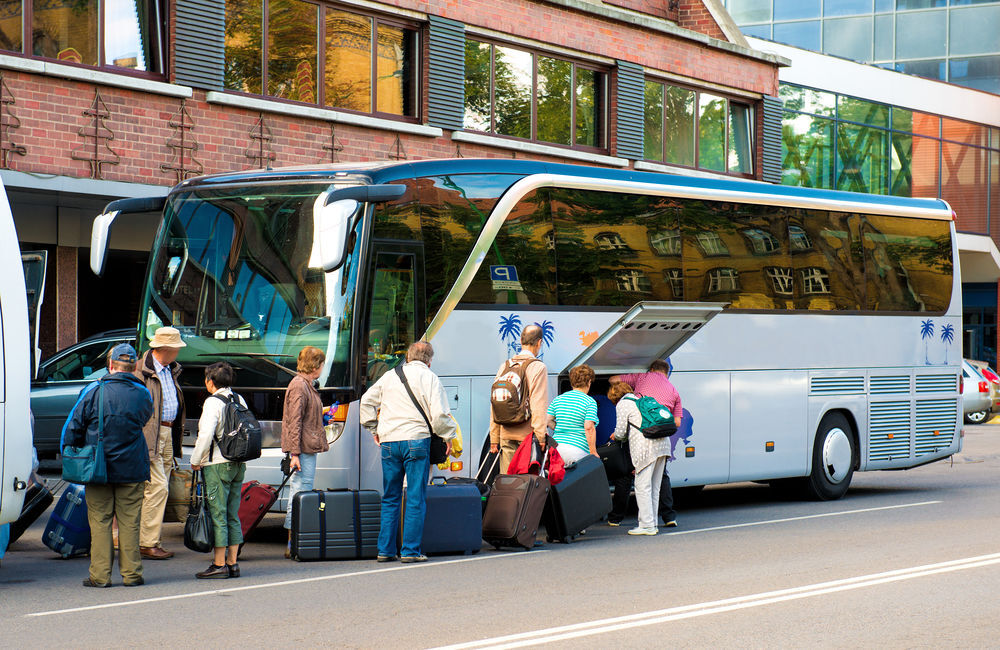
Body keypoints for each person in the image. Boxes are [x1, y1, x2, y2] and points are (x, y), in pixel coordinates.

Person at [63, 343, 153, 587]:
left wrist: (70, 449)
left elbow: (74, 426)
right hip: (133, 467)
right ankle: (132, 574)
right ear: (134, 368)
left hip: (98, 467)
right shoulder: (143, 393)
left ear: (110, 365)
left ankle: (100, 576)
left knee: (100, 522)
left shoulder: (94, 390)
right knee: (130, 522)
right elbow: (145, 418)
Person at [360, 341, 456, 563]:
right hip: (416, 441)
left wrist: (374, 429)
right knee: (414, 497)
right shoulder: (430, 378)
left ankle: (385, 550)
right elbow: (440, 415)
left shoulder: (389, 375)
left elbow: (366, 402)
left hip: (389, 442)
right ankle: (410, 551)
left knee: (390, 496)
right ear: (429, 361)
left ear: (409, 357)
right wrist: (447, 436)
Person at [190, 362, 247, 579]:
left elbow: (206, 435)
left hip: (217, 464)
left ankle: (219, 564)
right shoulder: (238, 399)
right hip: (238, 463)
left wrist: (196, 460)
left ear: (210, 382)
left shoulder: (212, 402)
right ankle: (233, 563)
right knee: (233, 513)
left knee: (218, 514)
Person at [136, 326, 186, 560]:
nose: (179, 352)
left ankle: (148, 538)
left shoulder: (169, 369)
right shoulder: (142, 371)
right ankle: (147, 542)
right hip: (151, 435)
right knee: (157, 488)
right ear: (166, 348)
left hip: (166, 433)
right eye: (176, 348)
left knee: (157, 488)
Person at [610, 359, 680, 528]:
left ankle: (625, 519)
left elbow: (613, 379)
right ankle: (664, 517)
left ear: (651, 368)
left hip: (643, 440)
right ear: (667, 371)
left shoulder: (642, 378)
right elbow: (676, 422)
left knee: (634, 480)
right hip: (663, 441)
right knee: (659, 481)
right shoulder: (674, 390)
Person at [281, 346, 329, 558]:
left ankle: (296, 539)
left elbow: (302, 418)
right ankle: (294, 541)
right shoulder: (300, 386)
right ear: (316, 365)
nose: (322, 368)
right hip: (302, 450)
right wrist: (295, 454)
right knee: (300, 493)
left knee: (301, 492)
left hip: (305, 447)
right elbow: (294, 421)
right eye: (321, 364)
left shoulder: (305, 385)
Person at [489, 325, 550, 473]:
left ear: (521, 341)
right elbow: (538, 405)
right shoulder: (538, 367)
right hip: (527, 437)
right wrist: (541, 436)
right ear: (539, 342)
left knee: (507, 481)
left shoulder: (505, 366)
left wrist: (494, 438)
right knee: (525, 483)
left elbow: (495, 404)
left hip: (506, 434)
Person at [546, 364, 599, 465]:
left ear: (572, 382)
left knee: (559, 480)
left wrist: (559, 428)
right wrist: (593, 452)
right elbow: (589, 427)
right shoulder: (589, 402)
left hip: (556, 449)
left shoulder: (558, 399)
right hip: (578, 450)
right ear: (589, 382)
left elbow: (548, 420)